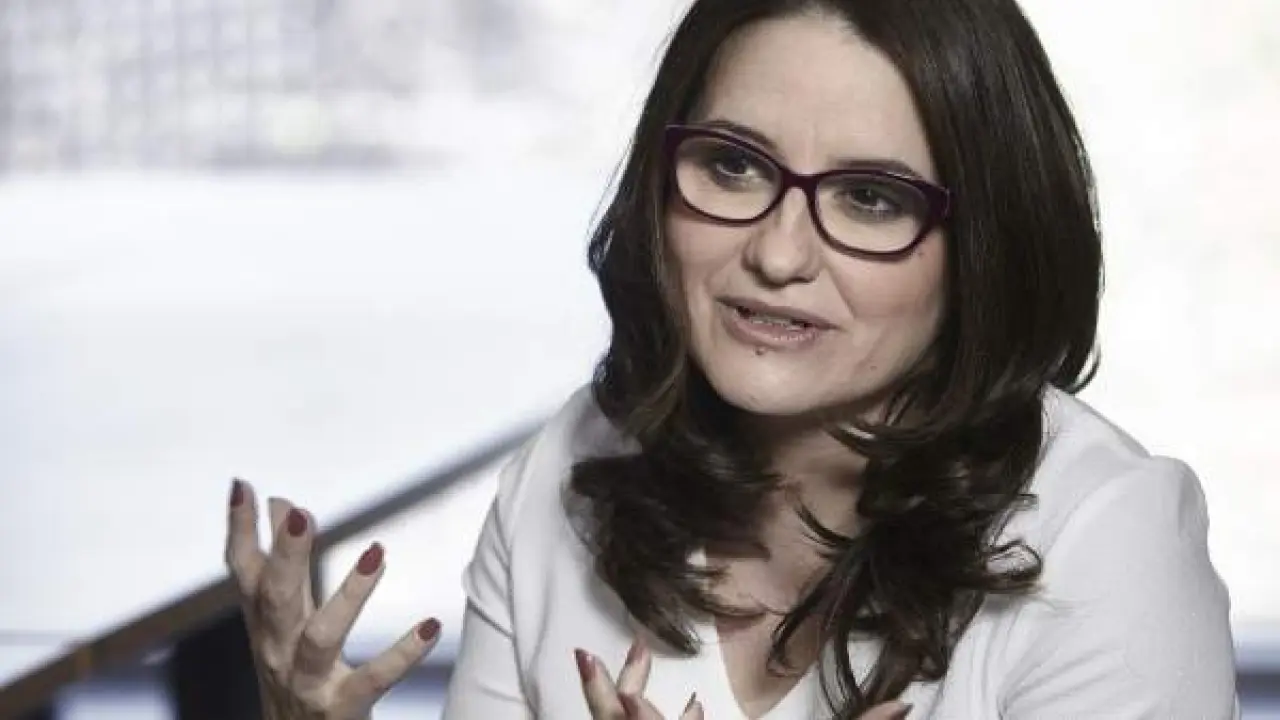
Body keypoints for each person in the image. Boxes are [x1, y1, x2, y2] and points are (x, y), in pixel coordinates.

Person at [222, 0, 1241, 717]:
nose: (777, 254)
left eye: (870, 198)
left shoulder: (1108, 543)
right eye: (733, 165)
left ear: (986, 244)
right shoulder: (565, 475)